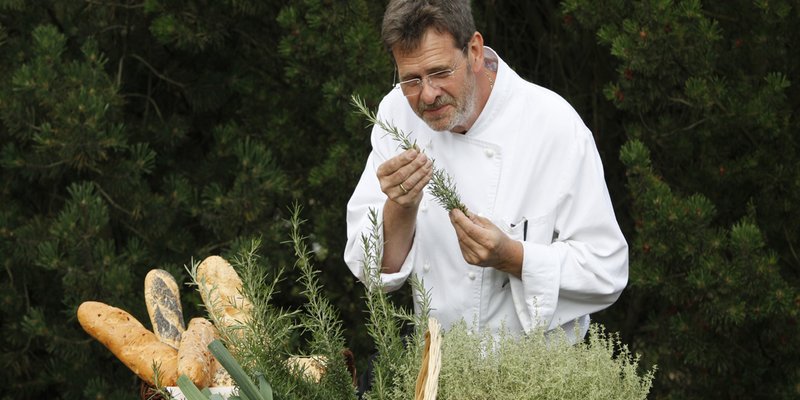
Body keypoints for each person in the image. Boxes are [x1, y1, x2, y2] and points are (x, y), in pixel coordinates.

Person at [344, 0, 628, 342]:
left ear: (474, 51)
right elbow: (372, 270)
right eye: (411, 80)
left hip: (538, 374)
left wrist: (512, 256)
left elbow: (606, 271)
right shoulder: (396, 112)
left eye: (439, 72)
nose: (428, 95)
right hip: (438, 368)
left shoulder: (554, 125)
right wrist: (400, 206)